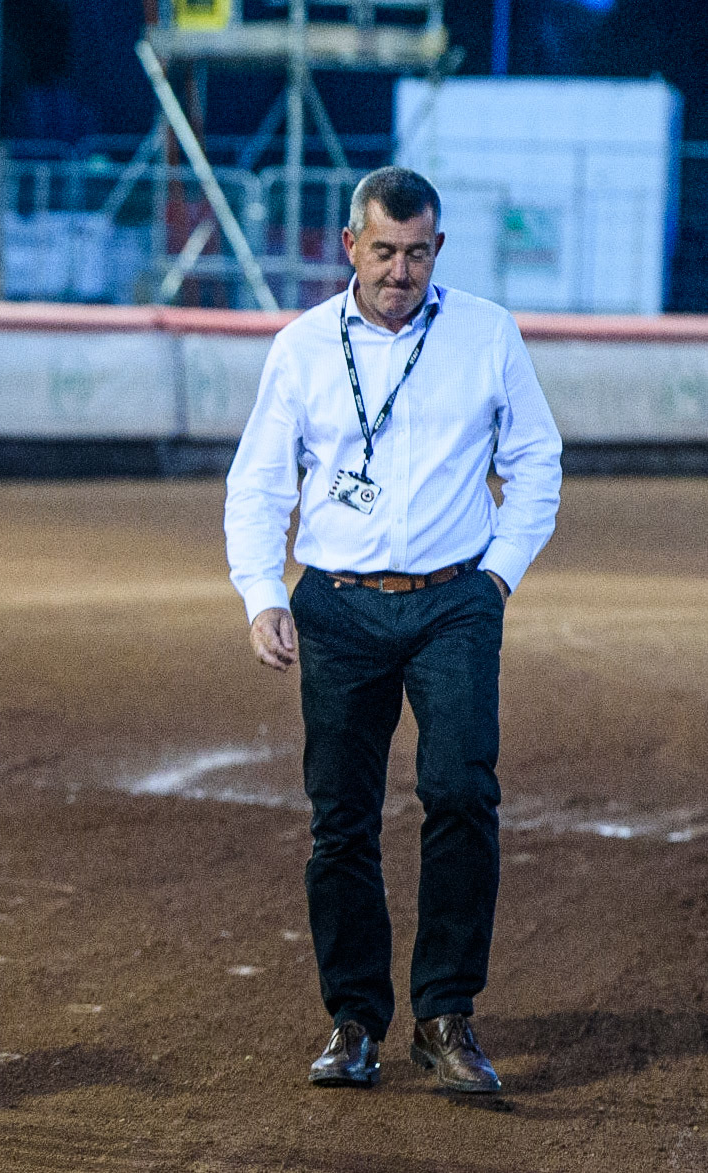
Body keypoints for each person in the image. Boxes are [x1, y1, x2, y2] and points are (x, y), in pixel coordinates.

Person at [224, 166, 561, 1094]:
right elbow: (258, 482)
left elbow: (536, 460)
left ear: (438, 250)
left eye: (416, 253)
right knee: (341, 819)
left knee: (459, 794)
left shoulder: (487, 334)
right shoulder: (298, 347)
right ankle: (354, 1020)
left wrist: (498, 575)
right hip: (334, 602)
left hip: (455, 599)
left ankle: (445, 1015)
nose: (398, 271)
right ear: (349, 247)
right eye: (382, 251)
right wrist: (261, 591)